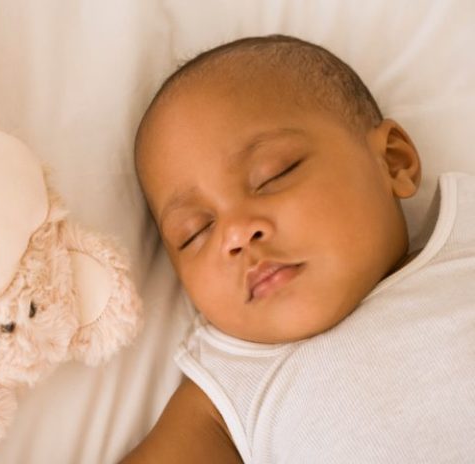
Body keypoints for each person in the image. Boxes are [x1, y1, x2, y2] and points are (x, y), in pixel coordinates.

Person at [122, 34, 475, 463]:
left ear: (393, 162)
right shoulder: (232, 384)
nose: (235, 234)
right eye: (195, 231)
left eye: (273, 175)